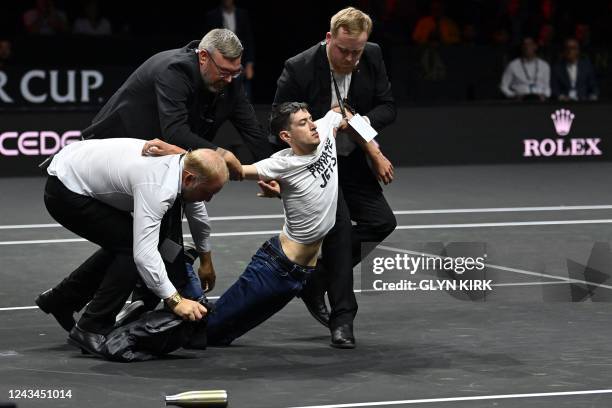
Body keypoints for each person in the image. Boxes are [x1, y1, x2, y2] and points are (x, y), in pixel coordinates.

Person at [154, 102, 355, 347]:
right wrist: (178, 154)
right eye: (302, 123)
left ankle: (188, 281)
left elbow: (338, 112)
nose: (312, 125)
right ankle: (183, 271)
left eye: (310, 118)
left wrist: (351, 123)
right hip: (275, 268)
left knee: (221, 337)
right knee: (203, 334)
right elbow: (232, 171)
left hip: (299, 276)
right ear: (286, 136)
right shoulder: (280, 164)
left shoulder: (323, 130)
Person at [273, 7, 397, 348]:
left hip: (352, 159)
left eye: (357, 50)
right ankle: (342, 321)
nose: (351, 58)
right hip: (316, 165)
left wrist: (355, 122)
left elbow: (388, 107)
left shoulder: (371, 57)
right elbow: (279, 122)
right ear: (329, 38)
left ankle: (316, 279)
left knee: (382, 222)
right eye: (344, 50)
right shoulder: (299, 67)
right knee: (341, 231)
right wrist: (323, 123)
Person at [35, 138, 228, 356]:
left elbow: (199, 216)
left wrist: (206, 260)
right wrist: (175, 301)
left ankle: (62, 299)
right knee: (130, 248)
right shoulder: (158, 187)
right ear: (190, 179)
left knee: (123, 242)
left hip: (77, 167)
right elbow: (144, 255)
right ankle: (91, 327)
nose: (210, 199)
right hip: (65, 190)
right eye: (209, 192)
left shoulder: (183, 166)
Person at [82, 28, 272, 180]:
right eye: (223, 71)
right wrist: (221, 154)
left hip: (152, 155)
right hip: (109, 149)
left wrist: (274, 175)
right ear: (203, 57)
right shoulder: (174, 71)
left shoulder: (230, 82)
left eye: (235, 71)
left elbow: (254, 133)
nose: (230, 80)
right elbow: (175, 132)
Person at [205, 0, 256, 100]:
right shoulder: (212, 15)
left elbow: (249, 40)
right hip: (220, 59)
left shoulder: (242, 14)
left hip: (241, 59)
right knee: (220, 91)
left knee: (243, 93)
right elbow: (208, 40)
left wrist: (250, 63)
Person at [500, 36, 551, 101]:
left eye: (530, 44)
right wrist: (513, 96)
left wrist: (545, 95)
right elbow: (503, 86)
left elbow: (547, 87)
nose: (527, 47)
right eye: (525, 45)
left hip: (540, 100)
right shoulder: (513, 65)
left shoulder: (544, 65)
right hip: (520, 101)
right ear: (522, 48)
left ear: (535, 46)